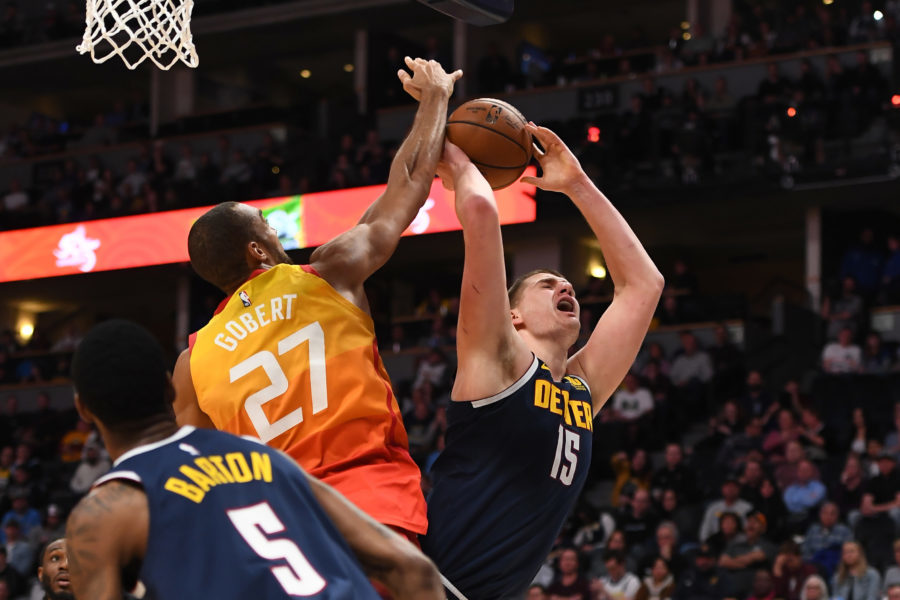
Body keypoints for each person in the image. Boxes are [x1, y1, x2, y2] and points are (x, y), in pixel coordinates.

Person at [172, 57, 461, 541]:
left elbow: (201, 473)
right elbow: (408, 184)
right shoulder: (327, 273)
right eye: (267, 223)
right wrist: (435, 99)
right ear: (256, 249)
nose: (274, 227)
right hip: (370, 502)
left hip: (280, 535)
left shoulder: (192, 362)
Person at [421, 123, 663, 599]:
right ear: (512, 316)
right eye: (546, 285)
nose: (565, 287)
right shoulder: (495, 358)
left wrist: (577, 184)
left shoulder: (579, 389)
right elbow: (480, 213)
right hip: (430, 587)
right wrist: (460, 162)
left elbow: (643, 285)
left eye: (566, 284)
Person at [66, 320, 443, 599]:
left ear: (83, 409)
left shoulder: (106, 513)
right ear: (169, 386)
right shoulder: (267, 458)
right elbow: (413, 570)